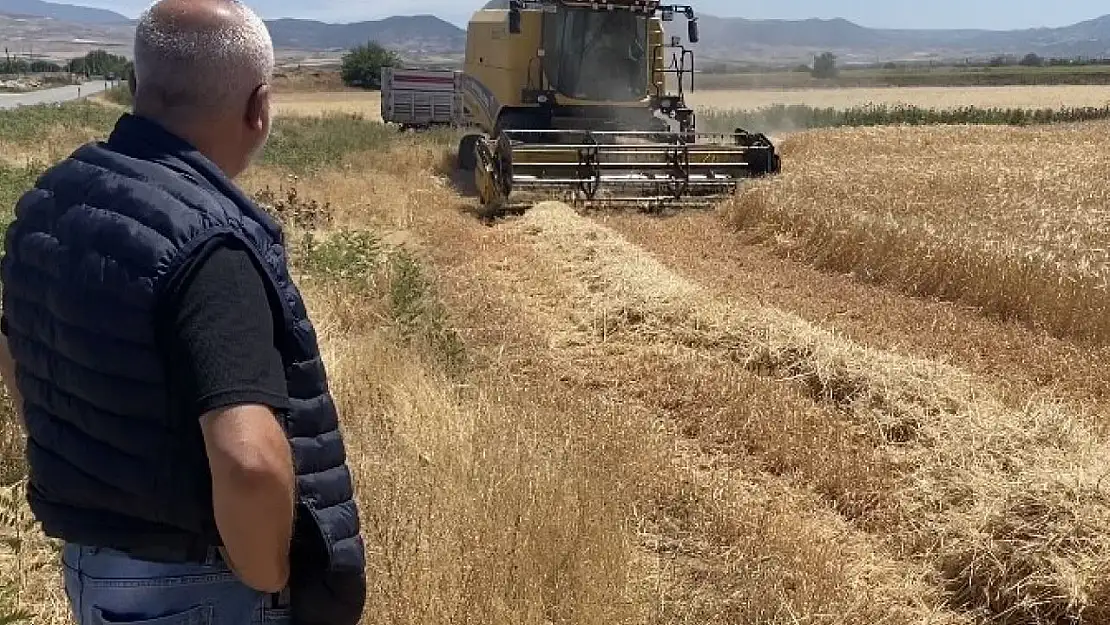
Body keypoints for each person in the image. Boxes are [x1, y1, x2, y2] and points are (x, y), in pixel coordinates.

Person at [0, 1, 366, 624]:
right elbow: (249, 462)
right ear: (259, 108)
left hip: (95, 571)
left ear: (137, 87)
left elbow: (14, 354)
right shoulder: (208, 245)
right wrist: (269, 575)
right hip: (201, 590)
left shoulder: (49, 203)